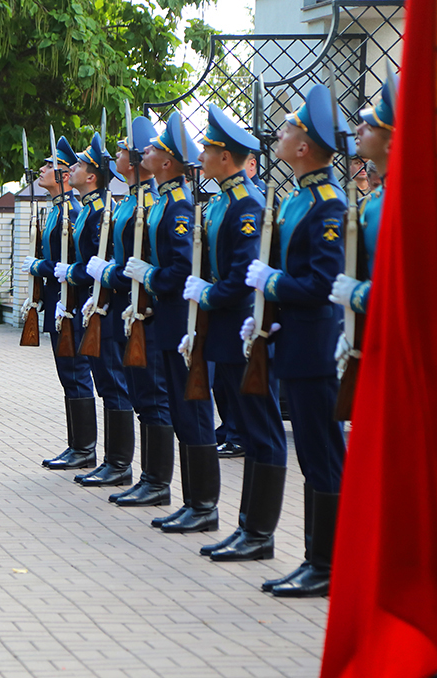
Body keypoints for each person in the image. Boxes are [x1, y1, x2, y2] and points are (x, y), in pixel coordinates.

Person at [243, 83, 350, 597]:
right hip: (295, 342)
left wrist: (274, 284)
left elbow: (322, 285)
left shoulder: (327, 205)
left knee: (323, 455)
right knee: (311, 451)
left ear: (304, 145)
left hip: (316, 347)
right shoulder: (299, 199)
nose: (279, 136)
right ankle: (316, 558)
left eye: (287, 130)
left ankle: (328, 565)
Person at [183, 105, 289, 555]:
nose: (202, 153)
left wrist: (206, 296)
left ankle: (259, 534)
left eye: (207, 147)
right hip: (224, 333)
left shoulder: (247, 202)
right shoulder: (225, 200)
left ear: (225, 156)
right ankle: (247, 527)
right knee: (246, 426)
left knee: (260, 430)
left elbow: (244, 274)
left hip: (245, 331)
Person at [122, 112, 218, 527]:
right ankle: (192, 500)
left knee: (191, 410)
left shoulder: (178, 205)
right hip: (167, 316)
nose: (144, 151)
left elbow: (180, 270)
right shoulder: (165, 199)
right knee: (179, 409)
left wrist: (150, 277)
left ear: (166, 163)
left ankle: (204, 506)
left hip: (181, 318)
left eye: (154, 148)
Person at [82, 117, 173, 492]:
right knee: (134, 393)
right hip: (121, 307)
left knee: (151, 396)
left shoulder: (149, 202)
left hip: (143, 310)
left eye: (121, 149)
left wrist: (108, 276)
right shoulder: (129, 201)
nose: (114, 155)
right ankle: (125, 467)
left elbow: (140, 265)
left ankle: (154, 480)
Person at [61, 133, 133, 483]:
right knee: (105, 381)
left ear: (92, 176)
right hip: (93, 304)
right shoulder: (91, 210)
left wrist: (73, 274)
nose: (70, 169)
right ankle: (109, 459)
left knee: (113, 382)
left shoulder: (101, 212)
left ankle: (119, 463)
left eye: (77, 165)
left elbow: (94, 263)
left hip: (103, 307)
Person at [21, 137, 96, 470]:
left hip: (71, 302)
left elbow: (76, 263)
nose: (41, 168)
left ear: (65, 174)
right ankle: (75, 444)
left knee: (77, 372)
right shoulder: (55, 210)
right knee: (67, 373)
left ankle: (85, 448)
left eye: (50, 165)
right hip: (55, 300)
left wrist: (41, 267)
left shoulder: (73, 211)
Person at [330, 74, 397, 389]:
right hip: (374, 337)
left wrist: (359, 295)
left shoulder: (407, 200)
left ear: (392, 140)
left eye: (369, 126)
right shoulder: (376, 201)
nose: (358, 128)